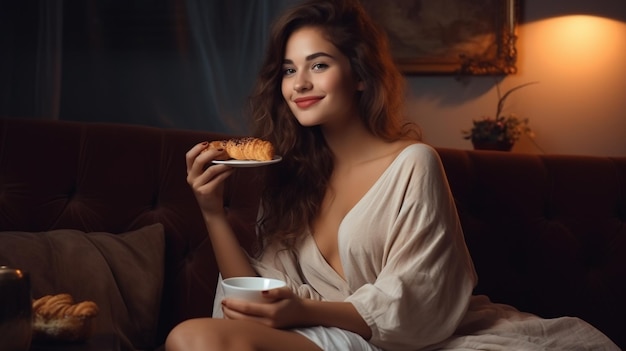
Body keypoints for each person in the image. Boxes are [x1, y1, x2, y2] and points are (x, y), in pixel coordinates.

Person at [166, 0, 619, 350]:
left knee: (191, 339)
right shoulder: (288, 176)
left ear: (359, 75)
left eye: (318, 64)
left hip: (397, 339)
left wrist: (303, 308)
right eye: (289, 69)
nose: (299, 83)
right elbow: (250, 299)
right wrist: (212, 212)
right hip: (317, 335)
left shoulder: (412, 165)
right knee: (189, 338)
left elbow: (418, 298)